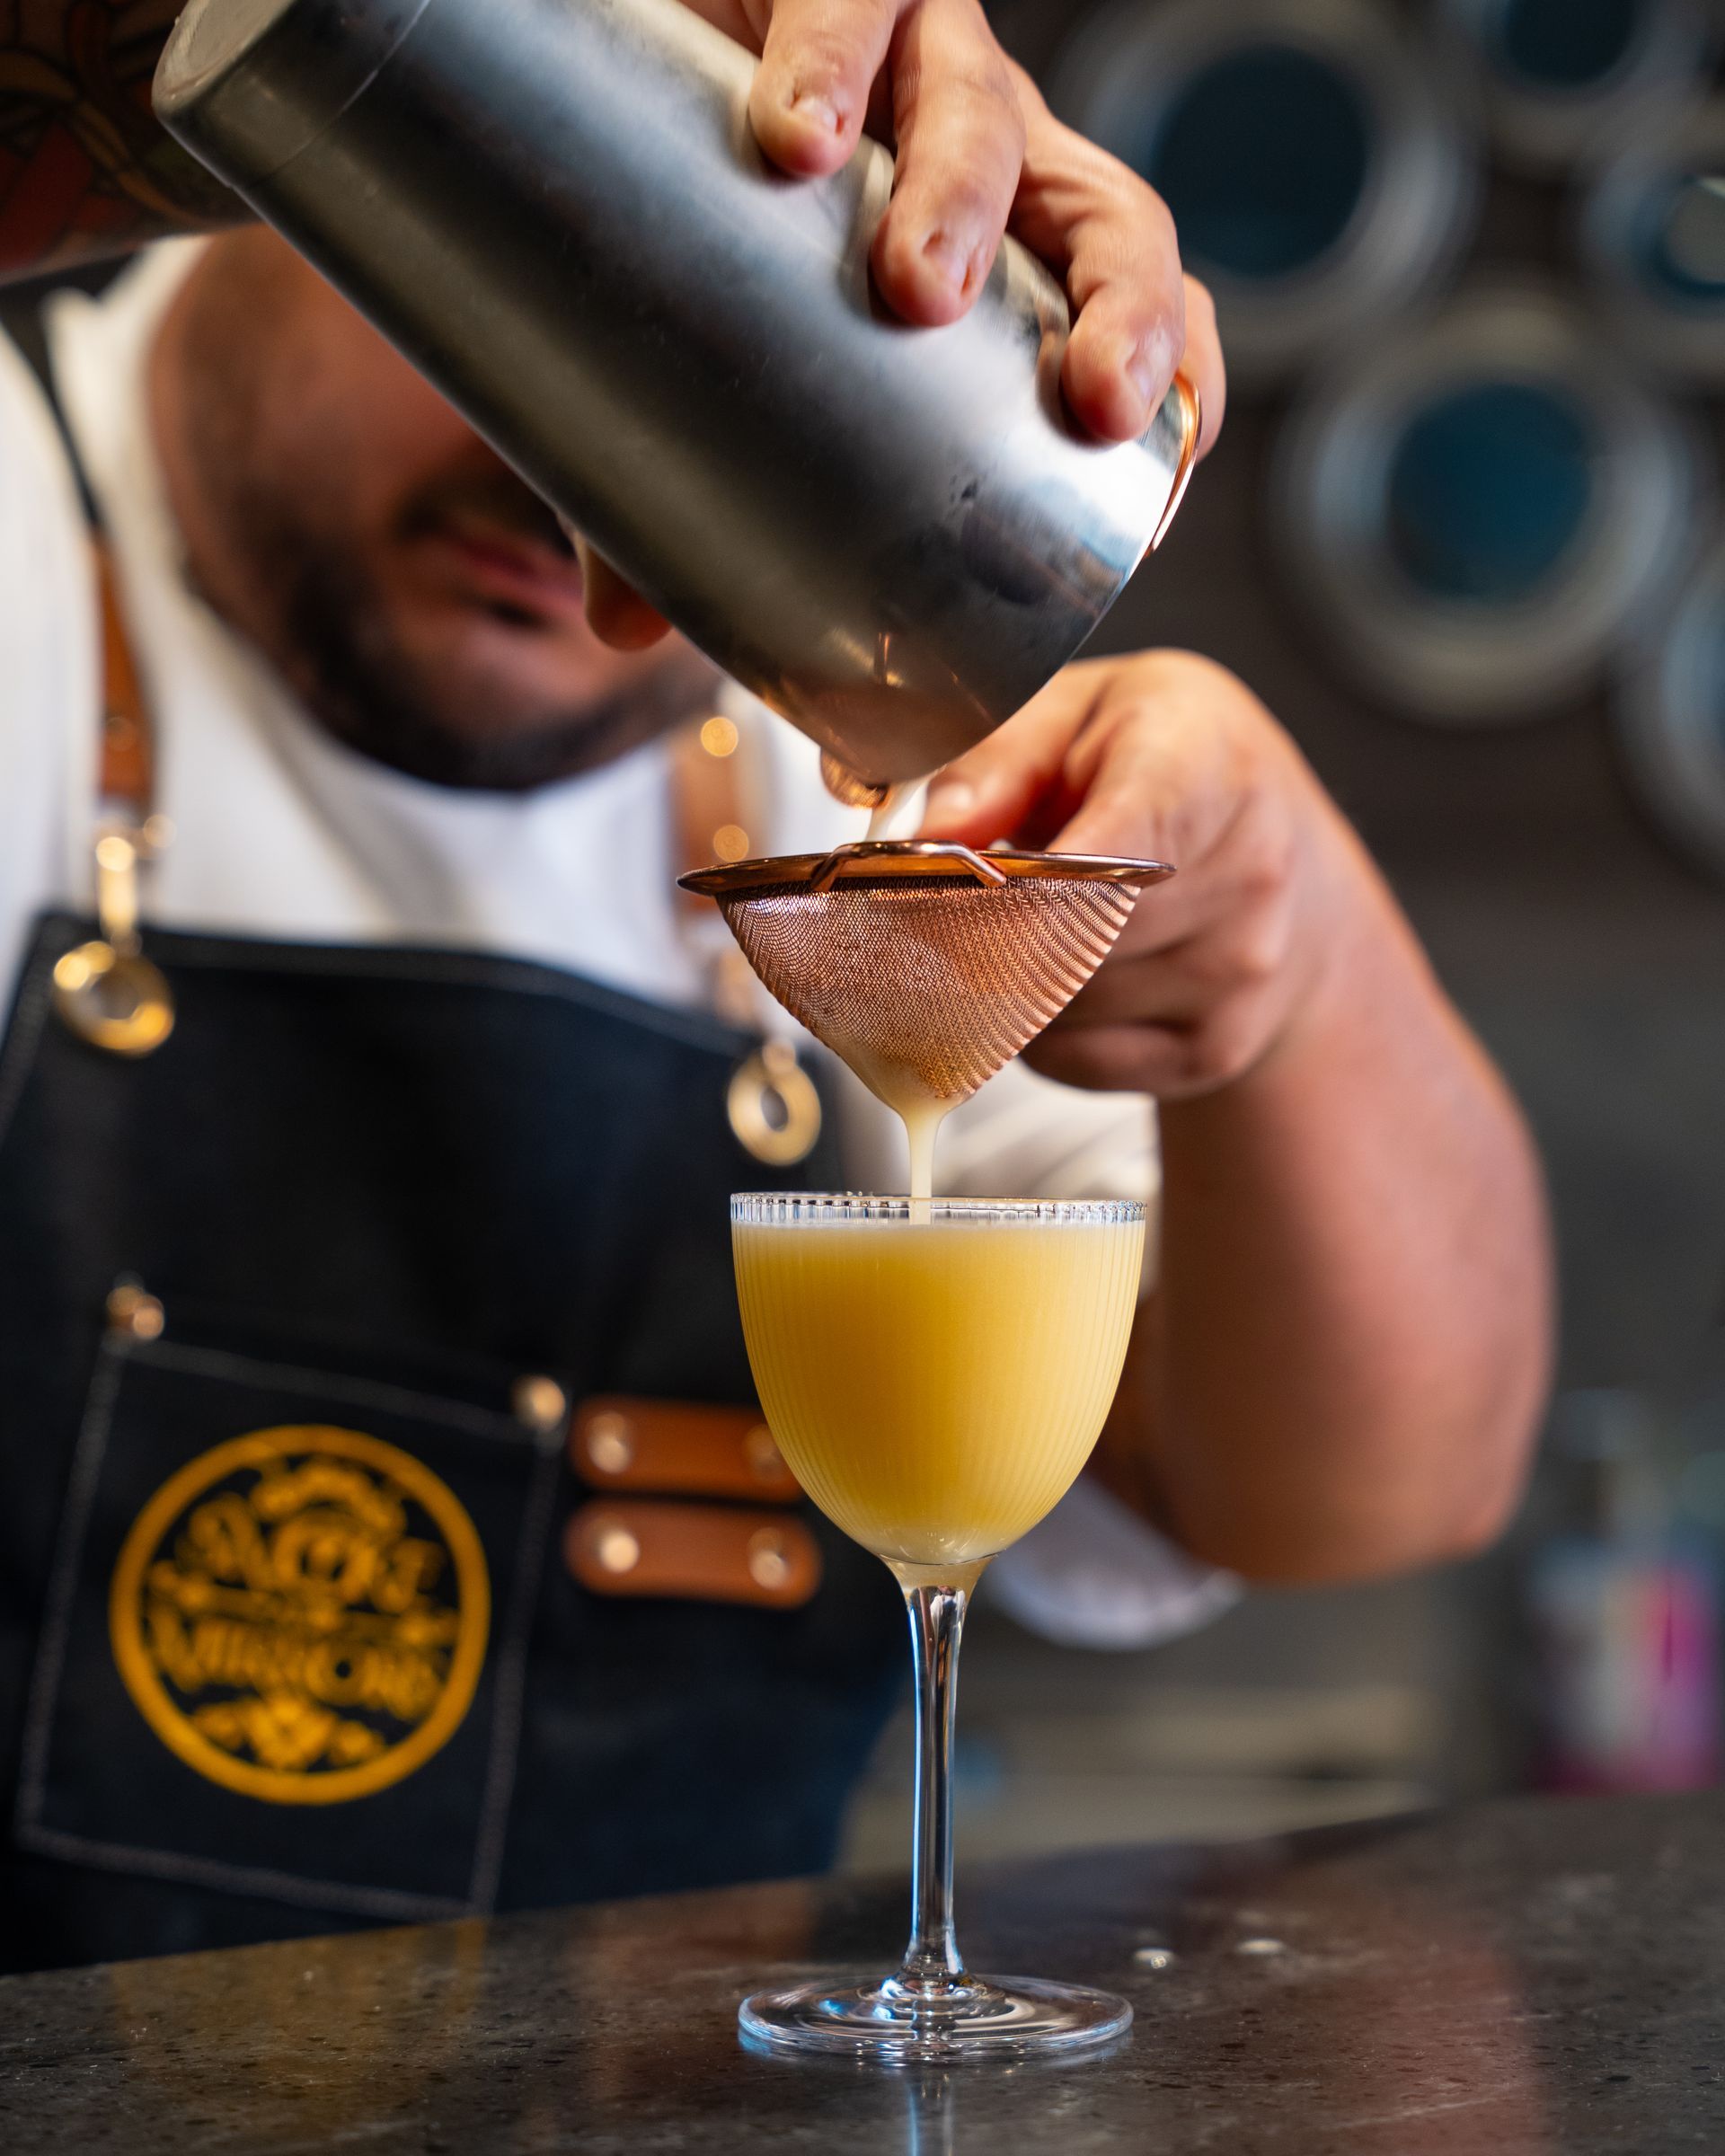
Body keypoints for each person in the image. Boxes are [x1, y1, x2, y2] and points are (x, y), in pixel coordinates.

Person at [0, 1, 1549, 1976]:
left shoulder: (838, 743)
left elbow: (1376, 1490)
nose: (562, 496)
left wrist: (1295, 962)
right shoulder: (25, 555)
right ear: (278, 164)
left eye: (668, 357)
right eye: (497, 291)